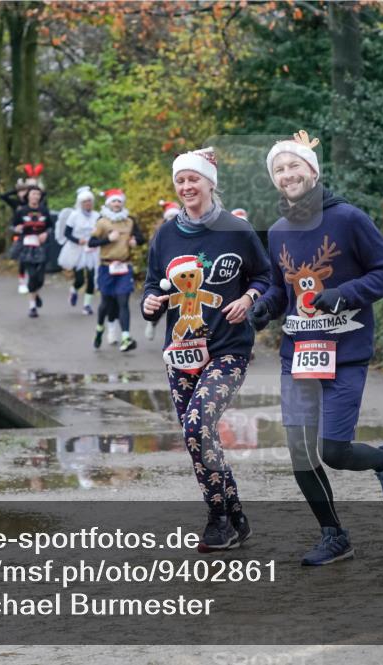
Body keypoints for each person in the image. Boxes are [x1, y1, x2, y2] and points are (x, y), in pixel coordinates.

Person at [249, 130, 383, 566]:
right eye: (278, 169)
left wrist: (345, 293)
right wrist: (264, 307)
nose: (287, 174)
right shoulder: (279, 230)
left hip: (346, 351)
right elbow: (284, 290)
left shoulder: (348, 219)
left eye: (294, 166)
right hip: (298, 354)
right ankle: (334, 535)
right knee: (301, 454)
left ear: (313, 170)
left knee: (334, 452)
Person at [141, 146, 271, 551]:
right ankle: (233, 516)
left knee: (198, 426)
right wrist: (148, 305)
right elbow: (151, 285)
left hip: (227, 351)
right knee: (196, 435)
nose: (185, 186)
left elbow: (266, 277)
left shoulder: (236, 230)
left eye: (192, 179)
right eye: (180, 180)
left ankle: (218, 520)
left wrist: (249, 298)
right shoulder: (165, 234)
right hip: (180, 353)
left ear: (210, 183)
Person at [89, 188, 144, 352]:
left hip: (124, 267)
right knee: (106, 304)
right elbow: (91, 243)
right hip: (106, 267)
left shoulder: (129, 221)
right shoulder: (102, 222)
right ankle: (100, 328)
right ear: (108, 203)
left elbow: (140, 238)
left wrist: (136, 242)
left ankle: (126, 337)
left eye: (119, 201)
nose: (117, 203)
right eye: (114, 201)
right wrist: (107, 239)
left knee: (123, 302)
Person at [143, 199, 182, 341]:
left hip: (182, 275)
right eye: (170, 216)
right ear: (166, 217)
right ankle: (152, 323)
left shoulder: (186, 231)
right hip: (164, 276)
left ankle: (180, 336)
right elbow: (153, 255)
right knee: (162, 304)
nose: (173, 219)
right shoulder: (160, 233)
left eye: (175, 216)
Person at [58, 186, 101, 316]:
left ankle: (87, 305)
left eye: (89, 201)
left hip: (93, 250)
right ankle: (74, 290)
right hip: (77, 250)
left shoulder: (97, 216)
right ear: (80, 203)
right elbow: (67, 233)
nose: (88, 203)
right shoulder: (74, 215)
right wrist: (78, 240)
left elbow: (101, 231)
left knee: (92, 278)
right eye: (85, 201)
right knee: (80, 279)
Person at [11, 185, 51, 317]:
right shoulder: (21, 211)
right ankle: (32, 307)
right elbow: (13, 225)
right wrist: (16, 229)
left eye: (38, 194)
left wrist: (46, 234)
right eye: (33, 194)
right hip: (27, 246)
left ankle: (36, 293)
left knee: (40, 279)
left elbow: (50, 226)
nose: (35, 197)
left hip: (41, 246)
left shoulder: (44, 210)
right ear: (28, 196)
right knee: (32, 275)